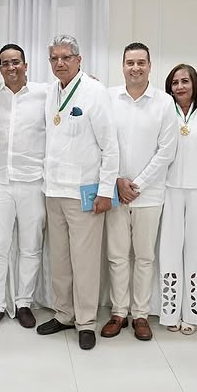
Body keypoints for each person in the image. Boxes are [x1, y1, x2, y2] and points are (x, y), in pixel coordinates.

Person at [35, 34, 119, 351]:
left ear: (79, 60)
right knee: (59, 259)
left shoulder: (95, 92)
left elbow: (110, 146)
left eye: (66, 57)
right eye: (54, 58)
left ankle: (85, 322)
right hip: (53, 189)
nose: (59, 63)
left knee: (84, 261)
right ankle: (64, 313)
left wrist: (106, 190)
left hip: (85, 191)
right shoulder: (50, 92)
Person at [101, 43, 177, 342]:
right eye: (130, 62)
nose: (135, 68)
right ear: (122, 66)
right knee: (117, 255)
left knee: (144, 256)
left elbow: (166, 151)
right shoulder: (108, 98)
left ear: (150, 65)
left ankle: (141, 314)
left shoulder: (164, 102)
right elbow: (103, 143)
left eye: (141, 62)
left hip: (150, 194)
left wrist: (139, 185)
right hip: (115, 190)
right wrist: (118, 180)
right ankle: (119, 312)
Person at [0, 44, 48, 330]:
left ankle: (23, 302)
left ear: (25, 65)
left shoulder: (45, 94)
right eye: (5, 63)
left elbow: (79, 89)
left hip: (33, 181)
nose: (11, 68)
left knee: (30, 247)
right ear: (0, 69)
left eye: (16, 62)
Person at [158, 64, 197, 334]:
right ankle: (169, 313)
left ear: (195, 84)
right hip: (170, 190)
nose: (180, 86)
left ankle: (194, 313)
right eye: (175, 82)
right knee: (169, 250)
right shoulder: (163, 110)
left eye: (185, 81)